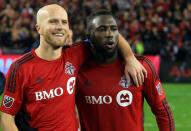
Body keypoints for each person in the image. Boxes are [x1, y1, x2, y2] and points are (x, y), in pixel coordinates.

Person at [0, 4, 147, 131]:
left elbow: (108, 33)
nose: (60, 27)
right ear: (38, 28)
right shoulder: (20, 68)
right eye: (53, 21)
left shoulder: (75, 54)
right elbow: (7, 117)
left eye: (64, 22)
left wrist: (129, 57)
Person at [76, 9, 175, 131]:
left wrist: (129, 57)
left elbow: (162, 111)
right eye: (102, 29)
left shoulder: (141, 66)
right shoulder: (77, 71)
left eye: (114, 29)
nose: (109, 34)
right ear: (89, 35)